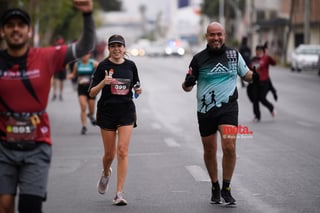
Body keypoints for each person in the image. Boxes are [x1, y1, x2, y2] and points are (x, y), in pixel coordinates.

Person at [0, 1, 95, 212]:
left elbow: (84, 47)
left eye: (21, 25)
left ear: (28, 31)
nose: (16, 29)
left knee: (30, 208)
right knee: (4, 206)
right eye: (10, 25)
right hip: (3, 148)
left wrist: (88, 15)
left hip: (36, 147)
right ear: (3, 32)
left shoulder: (46, 56)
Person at [181, 22, 259, 206]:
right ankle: (215, 185)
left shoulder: (233, 55)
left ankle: (227, 187)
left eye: (219, 34)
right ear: (207, 37)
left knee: (229, 145)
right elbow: (186, 88)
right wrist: (188, 82)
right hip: (206, 110)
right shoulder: (198, 59)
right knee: (209, 150)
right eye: (212, 35)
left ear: (224, 35)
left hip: (228, 108)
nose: (216, 38)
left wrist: (255, 75)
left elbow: (245, 74)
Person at [88, 34, 142, 206]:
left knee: (123, 151)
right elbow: (91, 93)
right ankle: (105, 173)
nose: (117, 49)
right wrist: (104, 82)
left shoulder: (131, 66)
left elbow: (136, 86)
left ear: (124, 48)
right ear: (109, 49)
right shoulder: (103, 66)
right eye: (113, 46)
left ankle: (119, 193)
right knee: (109, 154)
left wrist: (137, 90)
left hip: (126, 112)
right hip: (107, 113)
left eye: (120, 46)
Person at [68, 52, 99, 135]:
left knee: (92, 110)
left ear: (89, 55)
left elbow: (102, 70)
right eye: (82, 54)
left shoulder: (93, 63)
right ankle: (84, 126)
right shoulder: (77, 64)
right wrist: (69, 76)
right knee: (83, 107)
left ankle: (90, 115)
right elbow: (74, 75)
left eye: (86, 54)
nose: (84, 56)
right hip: (81, 88)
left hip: (91, 89)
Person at [248, 44, 277, 122]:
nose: (259, 52)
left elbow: (274, 63)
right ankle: (257, 116)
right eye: (257, 51)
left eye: (261, 51)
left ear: (263, 51)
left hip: (264, 82)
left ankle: (271, 108)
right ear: (256, 51)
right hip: (255, 82)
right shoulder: (253, 59)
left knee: (262, 98)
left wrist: (268, 55)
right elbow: (249, 69)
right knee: (255, 99)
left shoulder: (266, 58)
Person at [51, 35, 67, 101]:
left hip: (63, 66)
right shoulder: (53, 47)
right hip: (56, 66)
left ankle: (60, 94)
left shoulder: (64, 47)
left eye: (61, 41)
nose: (60, 42)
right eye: (59, 41)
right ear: (56, 41)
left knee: (61, 81)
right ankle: (54, 93)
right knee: (55, 80)